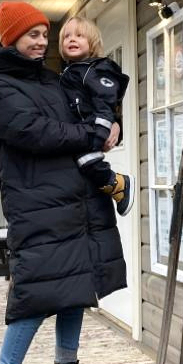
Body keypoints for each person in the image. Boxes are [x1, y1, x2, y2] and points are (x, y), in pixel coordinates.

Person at [0, 1, 127, 364]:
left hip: (76, 198)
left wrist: (109, 124)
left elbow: (90, 111)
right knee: (37, 294)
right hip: (37, 202)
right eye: (33, 35)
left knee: (75, 289)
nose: (43, 41)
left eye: (45, 33)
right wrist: (91, 133)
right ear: (11, 38)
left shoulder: (54, 79)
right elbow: (34, 132)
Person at [59, 16, 134, 216]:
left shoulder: (95, 70)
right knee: (83, 161)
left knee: (86, 160)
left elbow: (105, 102)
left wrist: (101, 132)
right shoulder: (69, 72)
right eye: (66, 37)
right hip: (79, 129)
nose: (71, 39)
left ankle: (119, 184)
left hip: (92, 129)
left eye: (79, 35)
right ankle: (116, 185)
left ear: (92, 43)